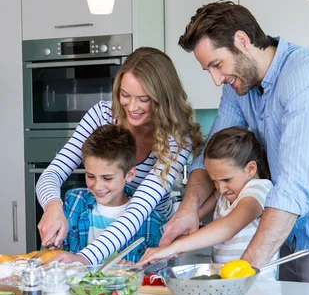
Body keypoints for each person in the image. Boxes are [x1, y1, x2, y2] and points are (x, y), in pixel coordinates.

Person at [160, 1, 309, 286]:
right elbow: (210, 152)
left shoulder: (304, 76)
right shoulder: (239, 86)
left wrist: (241, 273)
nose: (216, 80)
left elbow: (293, 185)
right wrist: (189, 208)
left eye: (217, 65)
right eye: (208, 70)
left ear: (242, 41)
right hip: (285, 232)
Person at [37, 47, 203, 265]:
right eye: (125, 95)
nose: (131, 107)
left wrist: (84, 259)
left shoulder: (178, 138)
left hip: (149, 237)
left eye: (143, 99)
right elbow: (53, 172)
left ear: (162, 99)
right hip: (103, 237)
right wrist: (52, 206)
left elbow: (138, 210)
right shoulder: (101, 115)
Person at [140, 127, 278, 278]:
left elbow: (228, 227)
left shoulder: (259, 189)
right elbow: (192, 221)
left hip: (258, 289)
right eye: (214, 181)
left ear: (250, 169)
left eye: (226, 179)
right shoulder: (223, 193)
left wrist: (174, 247)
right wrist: (169, 244)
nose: (221, 188)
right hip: (226, 283)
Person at [62, 124, 162, 262]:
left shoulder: (151, 220)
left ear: (130, 174)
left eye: (107, 178)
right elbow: (51, 256)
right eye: (90, 176)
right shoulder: (73, 203)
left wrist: (134, 270)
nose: (97, 186)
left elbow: (157, 276)